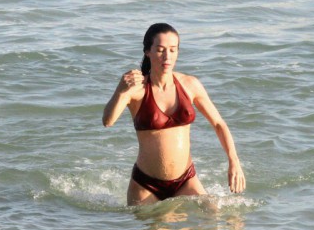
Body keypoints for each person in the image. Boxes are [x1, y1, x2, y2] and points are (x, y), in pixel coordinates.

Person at [103, 23, 246, 205]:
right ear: (148, 51)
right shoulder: (137, 90)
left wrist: (234, 161)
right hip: (146, 185)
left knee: (215, 217)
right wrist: (121, 91)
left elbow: (219, 124)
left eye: (172, 50)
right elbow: (108, 121)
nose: (167, 56)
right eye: (161, 50)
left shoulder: (190, 84)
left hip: (185, 180)